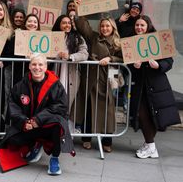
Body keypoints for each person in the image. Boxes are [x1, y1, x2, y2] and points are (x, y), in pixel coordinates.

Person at [0, 53, 75, 175]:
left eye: (40, 64)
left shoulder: (55, 85)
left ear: (46, 66)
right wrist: (24, 121)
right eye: (34, 64)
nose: (37, 67)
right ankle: (35, 145)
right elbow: (13, 106)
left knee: (57, 125)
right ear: (29, 66)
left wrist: (38, 120)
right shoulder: (21, 85)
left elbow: (60, 107)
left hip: (46, 125)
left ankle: (54, 159)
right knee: (12, 140)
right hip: (28, 125)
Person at [129, 15, 181, 159]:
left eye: (142, 25)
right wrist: (134, 66)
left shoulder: (158, 40)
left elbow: (169, 61)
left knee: (154, 116)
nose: (139, 28)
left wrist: (159, 65)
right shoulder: (131, 42)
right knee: (141, 114)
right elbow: (126, 64)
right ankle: (150, 145)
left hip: (157, 85)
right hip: (140, 86)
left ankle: (150, 146)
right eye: (137, 25)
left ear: (148, 26)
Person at [76, 15, 123, 153]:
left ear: (113, 27)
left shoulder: (118, 42)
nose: (105, 28)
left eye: (107, 26)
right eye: (102, 26)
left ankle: (107, 141)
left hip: (108, 81)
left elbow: (125, 57)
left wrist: (111, 58)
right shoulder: (94, 37)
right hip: (92, 78)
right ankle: (86, 139)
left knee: (107, 112)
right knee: (89, 108)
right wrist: (81, 11)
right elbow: (82, 26)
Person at [51, 15, 88, 131]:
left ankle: (66, 132)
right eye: (64, 23)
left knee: (68, 103)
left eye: (69, 23)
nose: (67, 25)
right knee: (53, 102)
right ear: (59, 25)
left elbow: (84, 54)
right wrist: (56, 55)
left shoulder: (78, 38)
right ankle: (53, 130)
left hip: (70, 75)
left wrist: (70, 56)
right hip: (55, 73)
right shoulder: (52, 37)